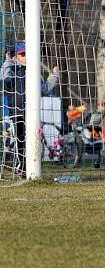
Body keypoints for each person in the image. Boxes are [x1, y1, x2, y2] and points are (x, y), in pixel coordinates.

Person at [1, 42, 60, 177]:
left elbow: (44, 88)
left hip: (32, 112)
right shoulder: (12, 70)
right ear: (16, 57)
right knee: (20, 139)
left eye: (28, 54)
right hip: (16, 112)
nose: (26, 57)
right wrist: (8, 61)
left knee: (33, 139)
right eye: (22, 55)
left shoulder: (34, 73)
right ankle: (21, 166)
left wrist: (54, 76)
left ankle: (30, 167)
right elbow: (3, 77)